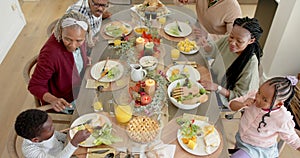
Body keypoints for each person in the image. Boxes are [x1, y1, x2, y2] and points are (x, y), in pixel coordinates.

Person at [28, 11, 93, 113]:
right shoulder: (51, 54)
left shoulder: (79, 37)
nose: (73, 45)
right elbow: (34, 85)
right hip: (66, 101)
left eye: (79, 41)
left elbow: (72, 58)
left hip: (79, 87)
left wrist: (83, 60)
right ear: (60, 31)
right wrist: (53, 100)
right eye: (68, 39)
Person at [198, 17, 263, 108]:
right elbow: (213, 51)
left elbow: (241, 97)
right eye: (231, 36)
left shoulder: (250, 63)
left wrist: (217, 88)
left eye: (239, 41)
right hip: (211, 79)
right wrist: (206, 46)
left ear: (251, 41)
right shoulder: (227, 41)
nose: (232, 42)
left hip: (224, 97)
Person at [228, 76, 300, 158]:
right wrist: (242, 104)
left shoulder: (282, 118)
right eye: (259, 92)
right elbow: (231, 105)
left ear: (279, 104)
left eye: (264, 100)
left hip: (258, 148)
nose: (258, 98)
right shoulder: (253, 95)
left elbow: (292, 138)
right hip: (241, 138)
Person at [14, 109, 91, 158]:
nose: (54, 128)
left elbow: (57, 135)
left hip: (66, 149)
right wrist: (74, 142)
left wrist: (71, 137)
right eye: (50, 128)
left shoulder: (43, 134)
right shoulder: (30, 151)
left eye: (52, 125)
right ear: (35, 140)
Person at [174, 0, 242, 37]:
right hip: (197, 32)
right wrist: (181, 1)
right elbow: (178, 4)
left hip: (214, 44)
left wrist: (208, 36)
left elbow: (232, 38)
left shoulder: (232, 7)